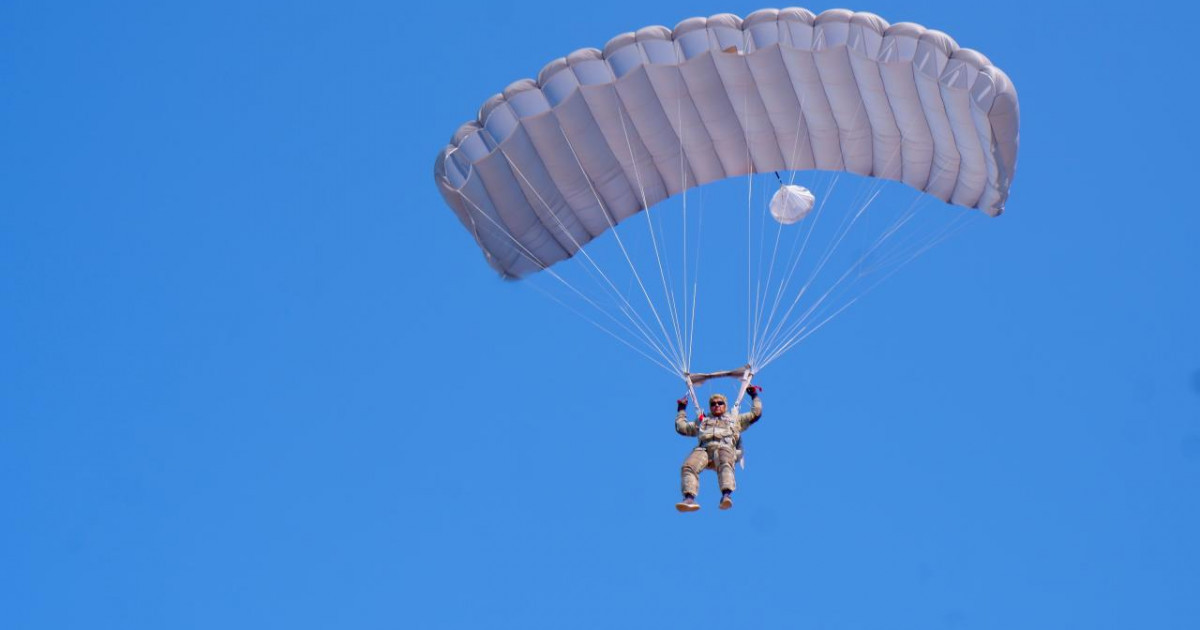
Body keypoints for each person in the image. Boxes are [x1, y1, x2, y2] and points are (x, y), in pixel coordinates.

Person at [674, 385, 762, 512]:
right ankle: (689, 498)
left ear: (725, 405)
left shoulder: (734, 419)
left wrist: (754, 396)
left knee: (724, 459)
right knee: (688, 466)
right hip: (704, 450)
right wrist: (681, 410)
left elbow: (756, 413)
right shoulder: (703, 421)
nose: (716, 405)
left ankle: (726, 496)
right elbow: (682, 428)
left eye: (720, 403)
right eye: (713, 404)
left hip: (724, 448)